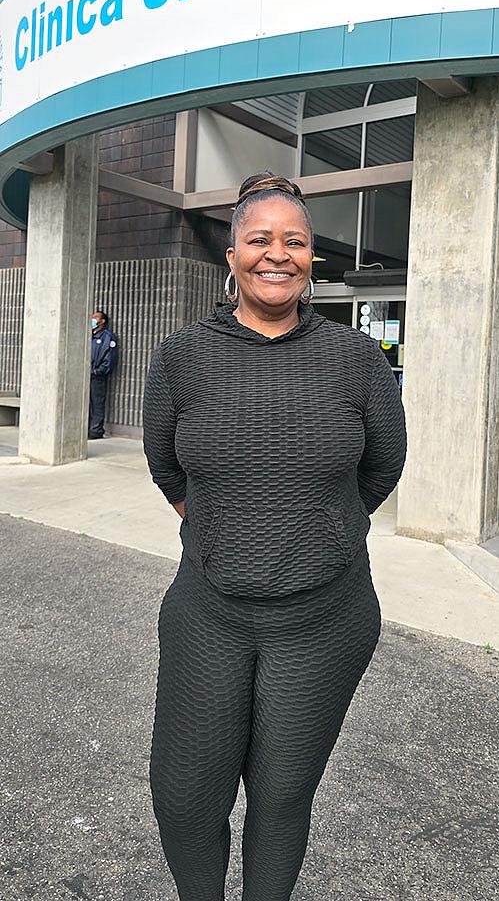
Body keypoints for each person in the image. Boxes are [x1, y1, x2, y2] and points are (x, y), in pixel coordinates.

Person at [142, 171, 407, 901]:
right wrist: (219, 530)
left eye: (294, 241)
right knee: (184, 797)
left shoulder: (355, 359)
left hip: (324, 620)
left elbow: (383, 463)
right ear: (231, 256)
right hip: (209, 614)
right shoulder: (181, 356)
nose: (276, 254)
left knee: (282, 795)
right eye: (259, 239)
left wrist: (321, 528)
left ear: (309, 257)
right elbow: (165, 463)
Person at [88, 310, 119, 439]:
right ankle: (87, 428)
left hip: (97, 376)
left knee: (97, 403)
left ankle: (96, 430)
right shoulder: (91, 336)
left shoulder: (107, 337)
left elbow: (110, 358)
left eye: (96, 317)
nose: (93, 319)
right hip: (87, 376)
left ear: (103, 321)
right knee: (88, 403)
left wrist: (98, 371)